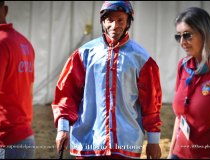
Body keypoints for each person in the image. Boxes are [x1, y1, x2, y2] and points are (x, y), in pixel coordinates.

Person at [52, 1, 162, 159]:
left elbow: (151, 103)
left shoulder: (142, 59)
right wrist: (62, 128)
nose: (114, 25)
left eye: (120, 20)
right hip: (88, 143)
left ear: (128, 22)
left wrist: (153, 141)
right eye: (109, 20)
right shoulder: (83, 54)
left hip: (126, 144)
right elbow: (66, 93)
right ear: (102, 21)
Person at [168, 7, 210, 159]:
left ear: (205, 33)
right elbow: (179, 117)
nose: (182, 42)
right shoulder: (183, 65)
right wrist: (171, 153)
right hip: (179, 153)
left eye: (187, 35)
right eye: (178, 37)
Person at [0, 1, 36, 159]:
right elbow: (29, 91)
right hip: (25, 137)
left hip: (2, 141)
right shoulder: (23, 42)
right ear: (5, 10)